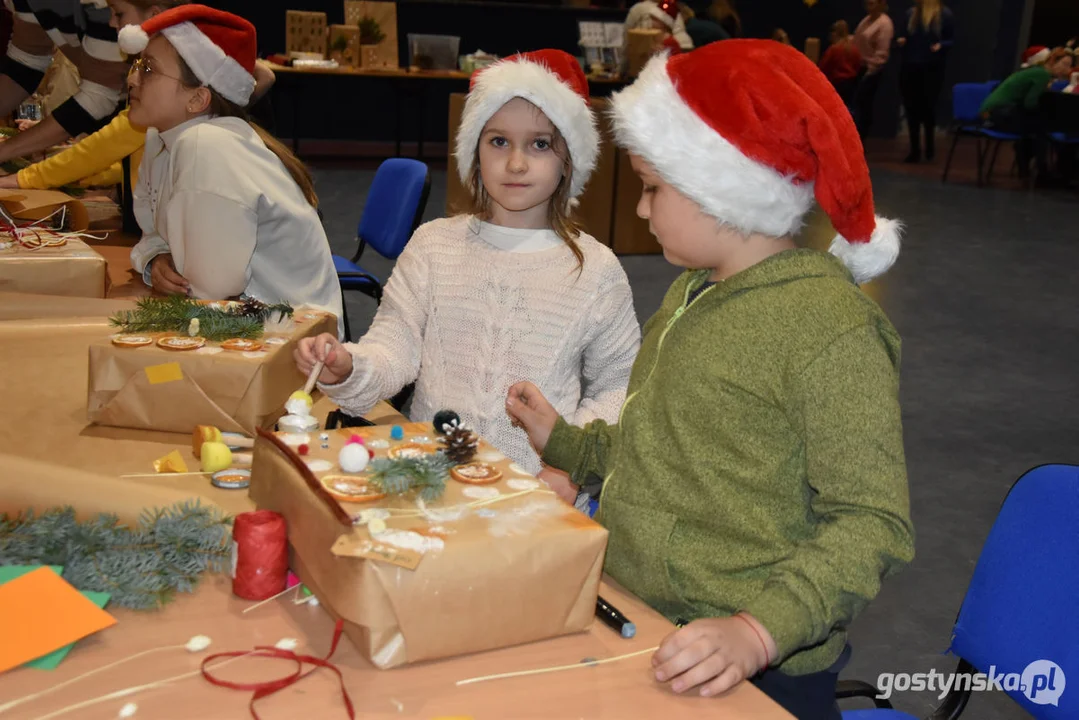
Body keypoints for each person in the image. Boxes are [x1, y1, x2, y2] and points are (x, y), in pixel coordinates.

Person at [505, 40, 914, 720]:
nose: (639, 209)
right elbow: (663, 445)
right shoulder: (692, 292)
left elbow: (871, 523)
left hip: (754, 664)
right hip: (645, 618)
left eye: (652, 189)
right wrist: (566, 443)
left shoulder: (830, 329)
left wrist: (757, 631)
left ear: (722, 191)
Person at [294, 50, 640, 511]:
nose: (516, 163)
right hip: (431, 482)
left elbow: (618, 386)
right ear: (474, 150)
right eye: (499, 142)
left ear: (569, 160)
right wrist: (351, 367)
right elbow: (396, 344)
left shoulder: (596, 270)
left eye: (539, 144)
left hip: (535, 495)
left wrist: (567, 462)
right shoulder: (434, 247)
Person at [122, 5, 343, 333]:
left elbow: (210, 288)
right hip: (239, 325)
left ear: (198, 99)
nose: (132, 78)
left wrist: (160, 259)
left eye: (148, 69)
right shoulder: (161, 140)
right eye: (137, 64)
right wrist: (154, 259)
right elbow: (152, 232)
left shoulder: (205, 145)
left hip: (291, 342)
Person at [0, 0, 277, 236]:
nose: (131, 79)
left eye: (147, 70)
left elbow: (106, 145)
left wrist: (25, 178)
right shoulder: (166, 125)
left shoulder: (191, 132)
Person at [0, 0, 129, 166]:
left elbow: (100, 95)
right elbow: (25, 63)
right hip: (105, 122)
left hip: (138, 122)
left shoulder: (104, 5)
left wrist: (5, 151)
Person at [981, 47, 1075, 183]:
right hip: (998, 114)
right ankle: (1044, 172)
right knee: (1040, 128)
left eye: (1069, 65)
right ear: (1053, 61)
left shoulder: (1037, 71)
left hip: (998, 111)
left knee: (1037, 128)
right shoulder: (1042, 75)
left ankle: (1031, 168)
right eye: (1064, 64)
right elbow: (1029, 103)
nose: (1066, 70)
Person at [896, 0, 955, 162]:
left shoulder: (944, 15)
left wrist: (941, 45)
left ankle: (929, 148)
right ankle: (915, 149)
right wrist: (902, 41)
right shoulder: (911, 14)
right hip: (911, 66)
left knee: (928, 109)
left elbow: (950, 39)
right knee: (911, 109)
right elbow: (904, 35)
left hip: (931, 69)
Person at [853, 0, 894, 139]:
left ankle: (862, 140)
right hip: (859, 67)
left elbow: (882, 52)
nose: (868, 5)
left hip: (872, 71)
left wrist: (870, 71)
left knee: (864, 106)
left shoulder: (884, 23)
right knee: (858, 105)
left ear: (881, 4)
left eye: (872, 3)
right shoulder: (866, 20)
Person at [820, 20, 862, 115]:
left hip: (836, 85)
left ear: (835, 33)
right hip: (852, 85)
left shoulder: (834, 49)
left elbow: (823, 67)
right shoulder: (854, 49)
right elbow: (858, 64)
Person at [625, 1, 693, 51]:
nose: (651, 22)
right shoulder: (656, 38)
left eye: (655, 20)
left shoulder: (670, 42)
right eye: (651, 19)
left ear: (664, 23)